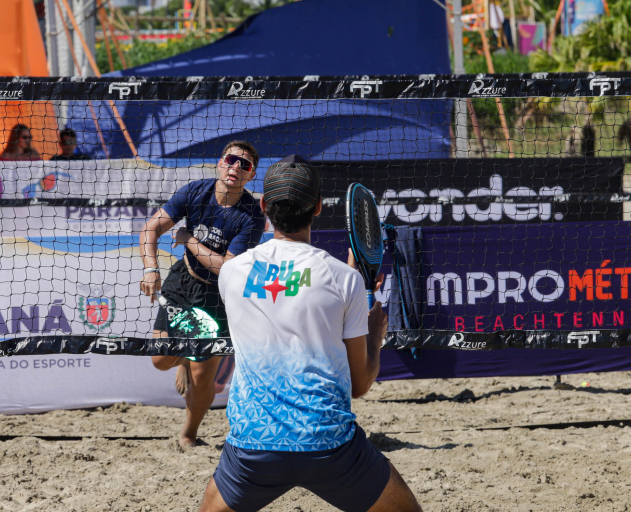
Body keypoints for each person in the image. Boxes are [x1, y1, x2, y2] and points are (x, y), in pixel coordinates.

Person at [198, 155, 422, 512]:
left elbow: (287, 296)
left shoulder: (232, 273)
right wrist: (374, 337)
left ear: (264, 206)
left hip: (254, 447)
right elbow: (360, 385)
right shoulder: (344, 279)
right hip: (328, 445)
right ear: (318, 207)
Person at [140, 141, 265, 448]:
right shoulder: (195, 191)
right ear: (220, 163)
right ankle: (184, 358)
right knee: (158, 360)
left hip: (219, 295)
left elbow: (227, 268)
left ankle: (188, 433)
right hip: (183, 281)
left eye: (244, 165)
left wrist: (188, 239)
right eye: (231, 160)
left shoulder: (251, 216)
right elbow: (150, 229)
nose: (236, 167)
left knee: (202, 377)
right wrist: (150, 269)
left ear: (251, 175)